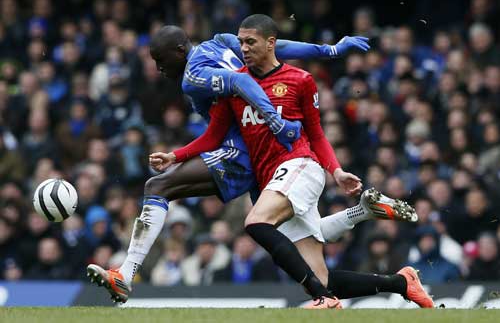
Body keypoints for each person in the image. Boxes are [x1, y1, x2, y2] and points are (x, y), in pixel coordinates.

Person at [149, 15, 430, 309]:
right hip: (270, 179)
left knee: (257, 222)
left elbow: (317, 135)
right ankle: (400, 281)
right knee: (320, 277)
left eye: (250, 42)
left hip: (299, 166)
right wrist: (175, 156)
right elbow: (213, 136)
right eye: (240, 42)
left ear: (271, 44)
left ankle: (325, 297)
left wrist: (336, 170)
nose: (242, 48)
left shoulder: (300, 80)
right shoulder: (233, 86)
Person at [87, 20, 371, 302]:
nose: (159, 69)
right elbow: (277, 46)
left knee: (157, 187)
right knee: (309, 251)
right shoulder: (221, 41)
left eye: (160, 60)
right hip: (268, 158)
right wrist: (329, 51)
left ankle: (126, 273)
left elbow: (242, 80)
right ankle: (367, 224)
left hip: (245, 153)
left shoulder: (193, 76)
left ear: (179, 49)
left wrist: (275, 120)